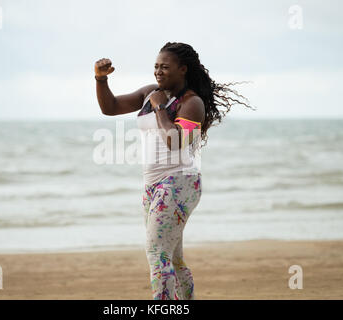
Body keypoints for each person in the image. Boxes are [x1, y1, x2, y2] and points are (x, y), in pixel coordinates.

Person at [94, 42, 254, 300]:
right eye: (156, 66)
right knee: (173, 257)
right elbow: (110, 107)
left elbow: (175, 140)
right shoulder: (149, 93)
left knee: (157, 253)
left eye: (165, 67)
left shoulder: (193, 104)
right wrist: (101, 80)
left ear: (182, 69)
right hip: (152, 184)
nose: (158, 72)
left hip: (180, 182)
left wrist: (159, 108)